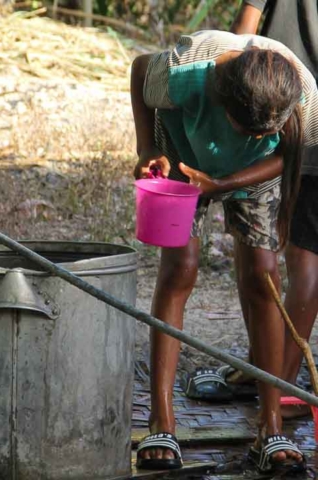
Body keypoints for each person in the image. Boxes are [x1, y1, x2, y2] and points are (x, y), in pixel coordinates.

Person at [131, 29, 318, 473]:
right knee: (180, 269)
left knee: (263, 275)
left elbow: (290, 153)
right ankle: (162, 420)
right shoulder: (185, 72)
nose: (253, 136)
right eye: (246, 130)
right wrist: (147, 147)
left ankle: (270, 425)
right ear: (223, 101)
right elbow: (139, 69)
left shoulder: (305, 95)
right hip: (181, 152)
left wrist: (226, 183)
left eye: (264, 131)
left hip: (254, 175)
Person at [186, 0, 318, 421]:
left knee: (270, 256)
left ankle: (275, 381)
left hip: (272, 112)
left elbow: (243, 33)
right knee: (303, 254)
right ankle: (276, 374)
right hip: (294, 113)